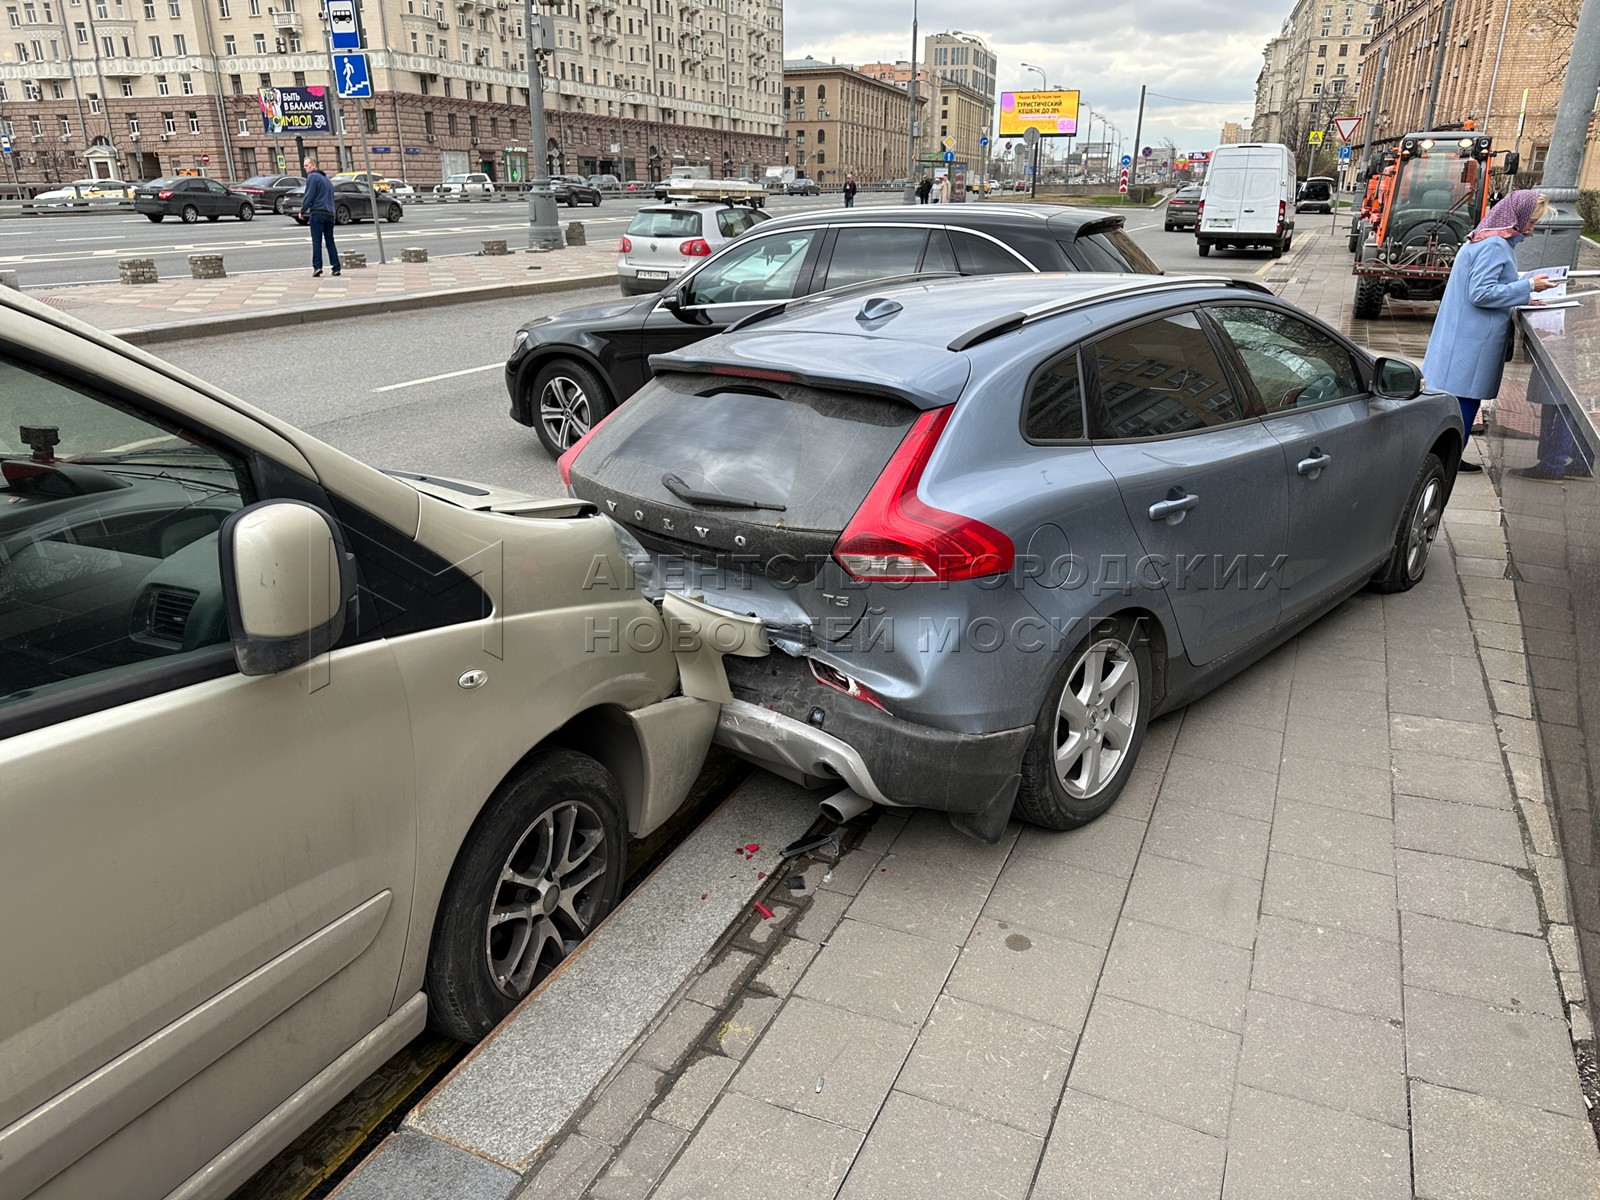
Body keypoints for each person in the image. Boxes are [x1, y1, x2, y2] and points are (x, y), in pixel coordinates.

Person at [1420, 189, 1555, 473]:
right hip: (1471, 340)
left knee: (1459, 402)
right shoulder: (1495, 244)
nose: (1531, 229)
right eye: (1531, 221)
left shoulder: (1485, 238)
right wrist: (1528, 287)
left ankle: (1448, 457)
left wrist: (1523, 291)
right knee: (1464, 404)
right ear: (1517, 217)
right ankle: (1446, 461)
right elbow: (1481, 293)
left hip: (1464, 337)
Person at [299, 157, 340, 278]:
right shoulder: (327, 179)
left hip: (317, 213)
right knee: (330, 242)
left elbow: (309, 195)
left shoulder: (312, 177)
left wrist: (302, 210)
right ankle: (336, 267)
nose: (305, 168)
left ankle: (317, 267)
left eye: (306, 165)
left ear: (313, 165)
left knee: (316, 242)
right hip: (330, 213)